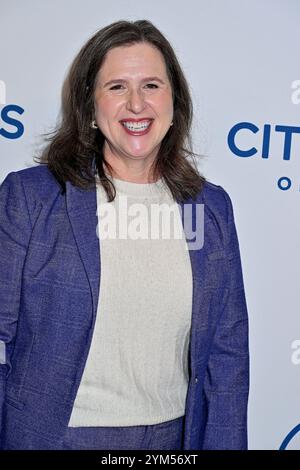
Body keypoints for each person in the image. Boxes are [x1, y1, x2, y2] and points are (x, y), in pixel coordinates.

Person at [0, 19, 249, 450]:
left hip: (172, 442)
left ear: (174, 103)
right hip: (55, 439)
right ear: (90, 108)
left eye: (151, 85)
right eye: (116, 87)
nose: (136, 104)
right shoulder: (32, 198)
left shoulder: (210, 209)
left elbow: (227, 357)